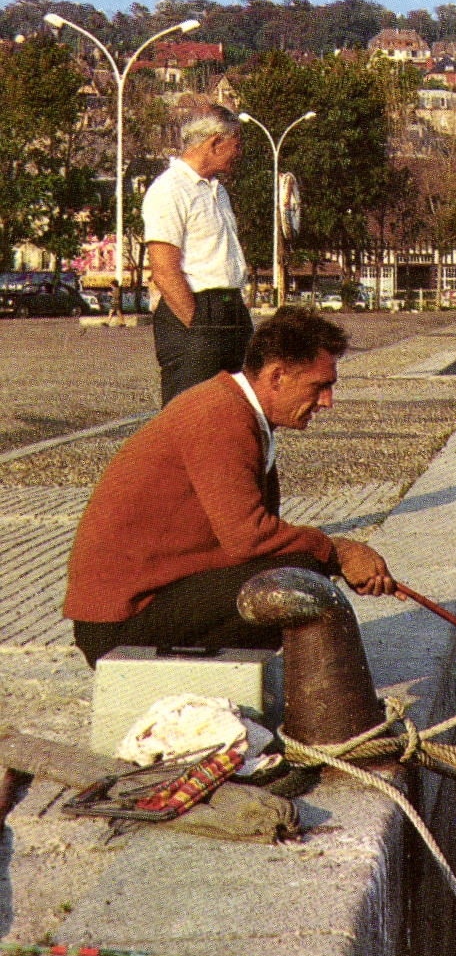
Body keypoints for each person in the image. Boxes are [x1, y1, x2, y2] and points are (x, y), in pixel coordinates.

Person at [62, 305, 395, 669]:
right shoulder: (220, 415)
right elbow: (248, 538)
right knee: (295, 576)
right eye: (319, 387)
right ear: (277, 376)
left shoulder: (236, 409)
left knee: (291, 573)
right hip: (119, 623)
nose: (327, 402)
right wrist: (336, 552)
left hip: (140, 603)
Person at [143, 105, 255, 407]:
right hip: (195, 312)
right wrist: (199, 327)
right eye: (237, 144)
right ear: (215, 143)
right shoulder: (169, 189)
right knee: (189, 415)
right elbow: (165, 271)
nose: (239, 152)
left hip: (229, 308)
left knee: (231, 413)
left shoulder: (218, 191)